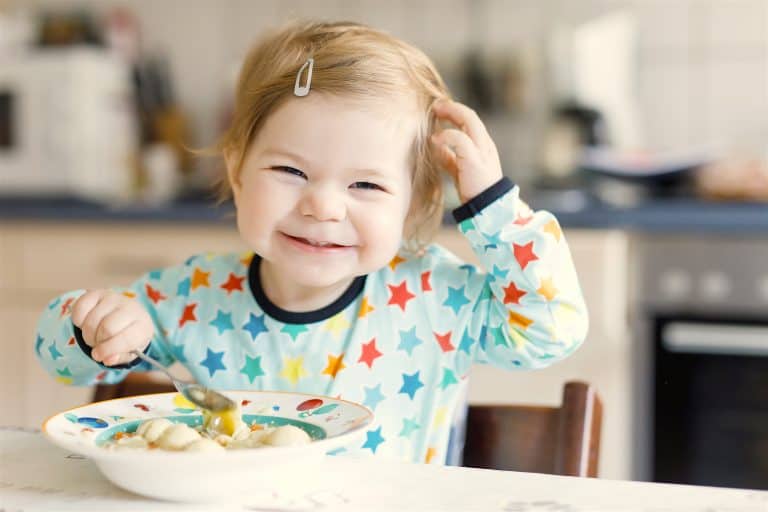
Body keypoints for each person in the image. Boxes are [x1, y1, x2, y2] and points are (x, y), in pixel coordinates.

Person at [35, 20, 588, 464]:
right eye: (290, 171)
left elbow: (551, 331)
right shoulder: (191, 296)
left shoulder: (435, 298)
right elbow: (59, 358)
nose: (322, 206)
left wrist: (494, 210)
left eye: (366, 184)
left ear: (416, 205)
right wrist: (94, 326)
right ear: (237, 171)